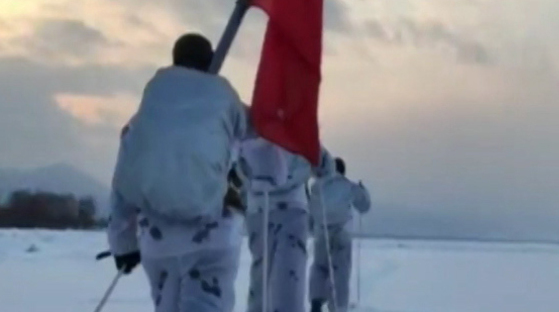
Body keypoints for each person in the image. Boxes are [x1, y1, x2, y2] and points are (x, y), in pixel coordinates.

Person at [106, 33, 248, 312]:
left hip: (158, 244)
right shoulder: (225, 101)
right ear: (211, 63)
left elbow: (124, 182)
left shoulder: (144, 117)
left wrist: (122, 245)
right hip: (212, 240)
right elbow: (247, 153)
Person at [237, 134, 330, 312]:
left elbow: (238, 166)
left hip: (260, 209)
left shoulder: (251, 125)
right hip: (290, 208)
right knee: (288, 278)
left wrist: (249, 189)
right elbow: (324, 165)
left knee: (262, 275)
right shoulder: (298, 128)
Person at [308, 157, 371, 312]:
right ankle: (338, 307)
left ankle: (316, 302)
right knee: (340, 271)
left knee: (319, 267)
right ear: (342, 171)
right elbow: (364, 205)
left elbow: (310, 215)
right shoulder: (347, 185)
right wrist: (363, 190)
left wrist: (314, 229)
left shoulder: (316, 187)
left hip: (321, 233)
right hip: (342, 233)